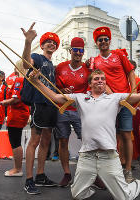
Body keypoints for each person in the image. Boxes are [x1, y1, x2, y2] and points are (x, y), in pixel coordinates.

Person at [29, 69, 140, 200]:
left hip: (108, 156)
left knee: (123, 197)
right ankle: (88, 187)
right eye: (96, 78)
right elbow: (55, 97)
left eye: (102, 79)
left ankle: (137, 185)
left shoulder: (115, 97)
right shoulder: (80, 98)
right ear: (90, 84)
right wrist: (36, 81)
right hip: (87, 156)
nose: (100, 81)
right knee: (77, 195)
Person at [89, 26, 137, 183]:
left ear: (109, 41)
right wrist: (112, 96)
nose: (103, 42)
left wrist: (133, 92)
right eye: (100, 40)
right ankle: (109, 169)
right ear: (96, 43)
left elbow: (130, 72)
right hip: (107, 103)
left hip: (125, 101)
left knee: (125, 135)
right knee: (107, 137)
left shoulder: (119, 55)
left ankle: (128, 169)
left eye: (105, 39)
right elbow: (100, 81)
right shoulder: (95, 61)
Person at [21, 22, 59, 195]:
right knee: (34, 141)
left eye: (54, 42)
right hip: (39, 103)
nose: (51, 43)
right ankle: (29, 180)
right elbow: (26, 65)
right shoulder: (37, 57)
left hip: (51, 104)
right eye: (48, 41)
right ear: (42, 45)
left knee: (46, 140)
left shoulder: (52, 65)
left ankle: (40, 175)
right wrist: (28, 42)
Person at [55, 37, 90, 187]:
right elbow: (54, 87)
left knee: (88, 141)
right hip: (62, 109)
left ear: (83, 52)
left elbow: (90, 89)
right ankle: (67, 174)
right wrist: (61, 90)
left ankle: (92, 175)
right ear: (70, 51)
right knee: (63, 141)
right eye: (75, 50)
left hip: (79, 111)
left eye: (80, 50)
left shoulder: (87, 69)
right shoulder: (60, 67)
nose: (78, 53)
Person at [0, 73, 30, 177]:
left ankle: (17, 169)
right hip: (19, 114)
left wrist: (4, 102)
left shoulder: (19, 80)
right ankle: (17, 168)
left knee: (15, 142)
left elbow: (16, 99)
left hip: (17, 114)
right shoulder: (24, 80)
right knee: (16, 141)